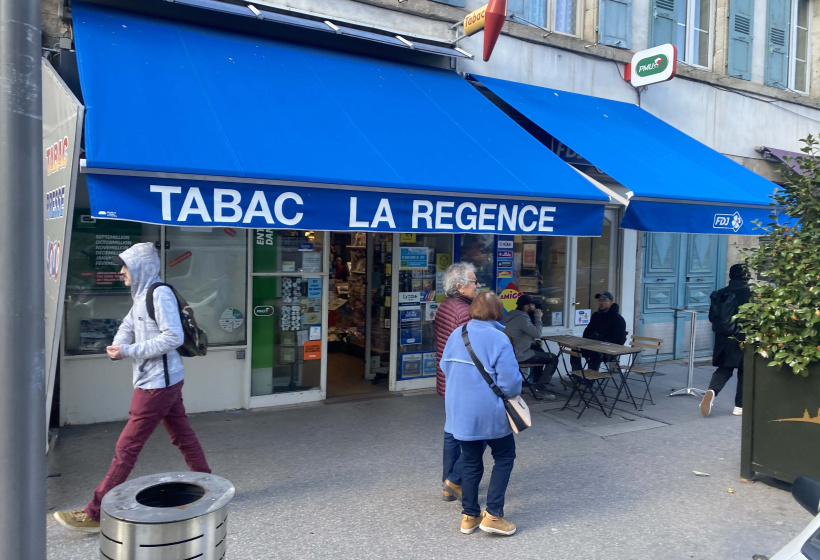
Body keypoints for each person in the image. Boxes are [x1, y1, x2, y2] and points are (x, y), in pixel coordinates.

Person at [54, 242, 211, 533]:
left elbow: (173, 338)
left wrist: (128, 351)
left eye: (125, 266)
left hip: (157, 385)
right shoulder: (141, 296)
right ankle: (208, 485)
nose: (121, 272)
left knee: (126, 448)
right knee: (183, 435)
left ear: (140, 267)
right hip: (162, 381)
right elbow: (128, 324)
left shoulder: (159, 294)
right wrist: (118, 344)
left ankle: (95, 512)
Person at [441, 291, 521, 536]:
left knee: (472, 462)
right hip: (490, 412)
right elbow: (510, 384)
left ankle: (469, 516)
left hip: (460, 413)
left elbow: (445, 366)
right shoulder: (499, 338)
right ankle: (494, 515)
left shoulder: (458, 334)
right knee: (505, 456)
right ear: (497, 312)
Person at [434, 262, 479, 503]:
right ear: (460, 286)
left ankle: (447, 484)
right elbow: (472, 349)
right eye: (474, 281)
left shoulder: (445, 306)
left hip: (448, 377)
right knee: (476, 434)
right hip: (463, 381)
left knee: (452, 430)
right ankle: (455, 479)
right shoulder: (464, 312)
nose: (477, 285)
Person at [700, 264, 752, 417]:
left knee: (723, 369)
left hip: (722, 338)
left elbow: (712, 317)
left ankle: (711, 391)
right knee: (744, 371)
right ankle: (739, 407)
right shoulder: (749, 294)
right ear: (746, 276)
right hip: (742, 338)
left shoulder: (719, 294)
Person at [503, 294, 558, 398]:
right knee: (553, 358)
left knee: (540, 352)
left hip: (511, 353)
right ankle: (540, 389)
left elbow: (518, 335)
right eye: (532, 305)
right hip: (520, 356)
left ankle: (536, 384)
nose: (535, 308)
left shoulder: (511, 316)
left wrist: (531, 342)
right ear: (526, 307)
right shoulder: (522, 318)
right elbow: (537, 333)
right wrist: (538, 317)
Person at [570, 291, 627, 372]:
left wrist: (600, 340)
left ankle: (588, 382)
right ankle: (577, 378)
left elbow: (619, 340)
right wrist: (589, 340)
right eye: (600, 300)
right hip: (592, 345)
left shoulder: (618, 319)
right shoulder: (596, 316)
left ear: (611, 303)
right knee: (575, 351)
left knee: (596, 354)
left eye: (604, 300)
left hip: (608, 349)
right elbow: (587, 331)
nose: (601, 303)